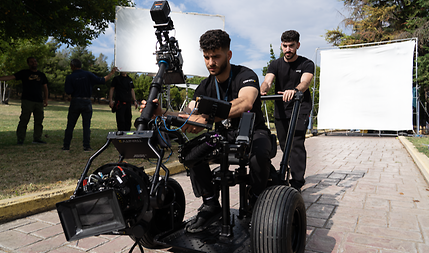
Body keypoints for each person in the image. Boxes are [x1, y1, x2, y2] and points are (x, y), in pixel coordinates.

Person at [143, 29, 273, 233]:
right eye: (206, 57)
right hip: (223, 135)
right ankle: (211, 203)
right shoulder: (204, 86)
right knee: (190, 153)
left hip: (253, 131)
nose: (211, 62)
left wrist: (208, 117)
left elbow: (246, 103)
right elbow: (189, 114)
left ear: (228, 55)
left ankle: (256, 202)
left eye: (216, 56)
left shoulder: (245, 75)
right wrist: (161, 112)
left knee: (258, 155)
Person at [260, 30, 314, 191]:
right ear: (281, 46)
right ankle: (289, 171)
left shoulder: (306, 63)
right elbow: (268, 81)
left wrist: (295, 90)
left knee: (296, 143)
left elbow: (305, 82)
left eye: (291, 46)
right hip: (281, 109)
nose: (288, 49)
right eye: (285, 46)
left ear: (298, 45)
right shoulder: (275, 64)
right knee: (284, 144)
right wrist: (262, 89)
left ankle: (297, 182)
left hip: (300, 107)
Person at [63, 59, 117, 151]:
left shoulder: (70, 77)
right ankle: (86, 146)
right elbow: (102, 80)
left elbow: (68, 91)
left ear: (72, 66)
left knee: (70, 125)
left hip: (75, 101)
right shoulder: (88, 74)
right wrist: (111, 73)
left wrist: (70, 95)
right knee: (86, 126)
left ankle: (66, 146)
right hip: (87, 102)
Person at [0, 57, 49, 145]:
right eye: (31, 62)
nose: (34, 63)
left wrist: (45, 99)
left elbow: (45, 87)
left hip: (38, 101)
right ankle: (20, 139)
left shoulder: (42, 75)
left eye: (35, 61)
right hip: (27, 100)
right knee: (24, 120)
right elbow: (11, 77)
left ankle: (37, 139)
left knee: (39, 121)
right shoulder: (24, 73)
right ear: (28, 64)